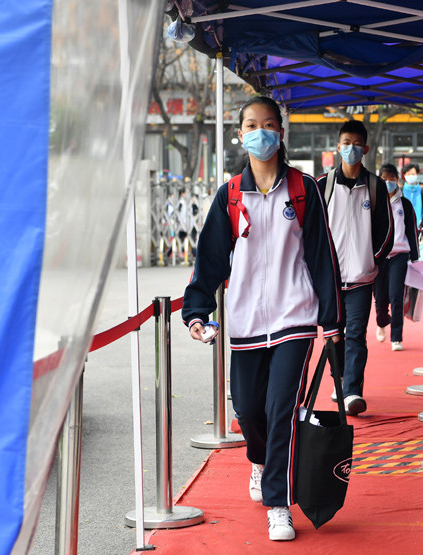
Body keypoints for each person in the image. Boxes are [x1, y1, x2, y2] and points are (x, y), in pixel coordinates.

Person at [182, 96, 341, 542]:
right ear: (240, 135)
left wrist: (330, 319)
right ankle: (260, 458)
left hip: (295, 316)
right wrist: (197, 312)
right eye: (251, 125)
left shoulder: (303, 189)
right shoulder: (231, 195)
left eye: (268, 124)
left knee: (281, 410)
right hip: (247, 320)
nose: (260, 132)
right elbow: (210, 259)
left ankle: (279, 504)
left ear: (280, 133)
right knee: (249, 410)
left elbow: (322, 256)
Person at [317, 120, 394, 416]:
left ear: (366, 149)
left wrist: (371, 260)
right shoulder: (322, 185)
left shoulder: (375, 185)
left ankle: (352, 391)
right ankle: (339, 380)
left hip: (362, 277)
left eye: (357, 144)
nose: (351, 148)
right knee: (334, 335)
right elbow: (313, 232)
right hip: (330, 278)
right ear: (338, 147)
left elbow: (386, 230)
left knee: (356, 334)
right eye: (346, 143)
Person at [374, 164, 420, 350]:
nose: (388, 182)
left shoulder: (404, 204)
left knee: (396, 296)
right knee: (380, 298)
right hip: (378, 256)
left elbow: (412, 230)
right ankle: (381, 322)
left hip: (399, 255)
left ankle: (396, 337)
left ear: (397, 180)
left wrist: (415, 256)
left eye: (391, 178)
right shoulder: (373, 202)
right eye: (384, 179)